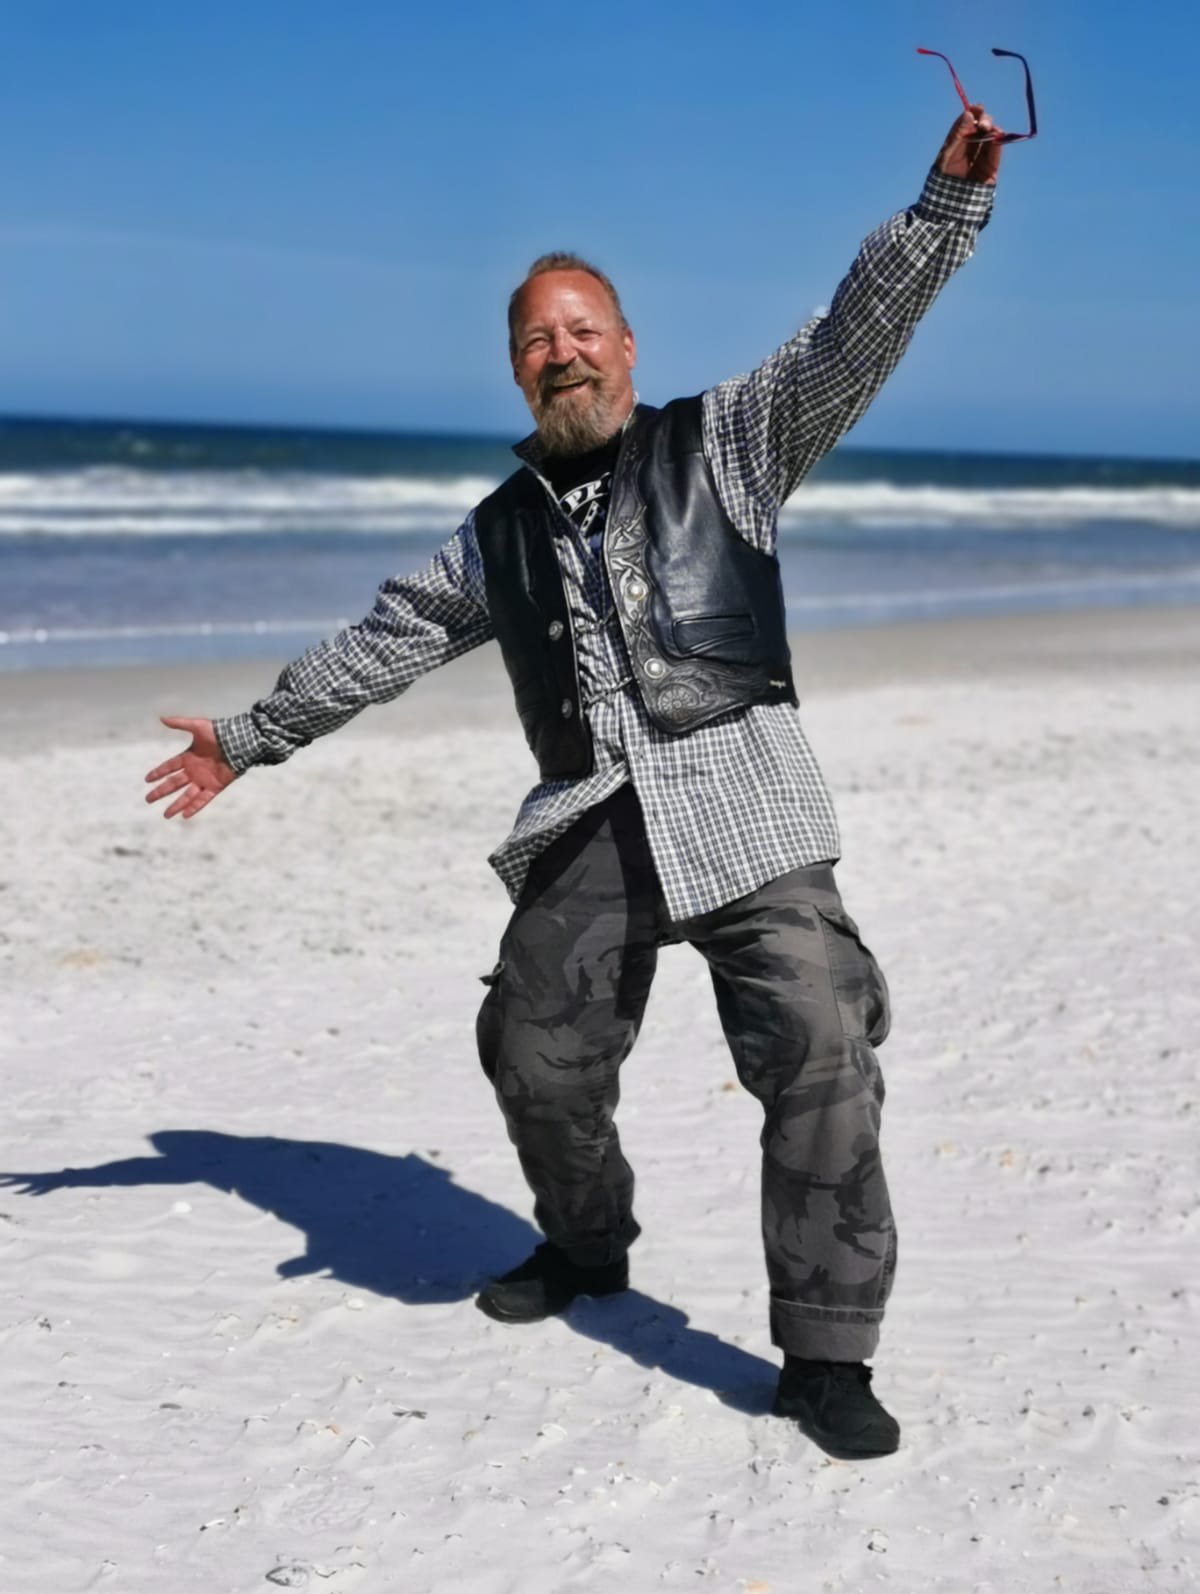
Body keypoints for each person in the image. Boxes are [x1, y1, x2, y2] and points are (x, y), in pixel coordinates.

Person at [145, 108, 1003, 1460]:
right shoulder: (495, 537)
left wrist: (942, 209)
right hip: (590, 818)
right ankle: (589, 1245)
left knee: (822, 1040)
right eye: (538, 340)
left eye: (582, 328)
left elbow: (853, 335)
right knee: (532, 1054)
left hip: (743, 805)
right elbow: (387, 640)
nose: (563, 351)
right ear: (518, 369)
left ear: (628, 346)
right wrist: (250, 735)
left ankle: (826, 1355)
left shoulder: (729, 442)